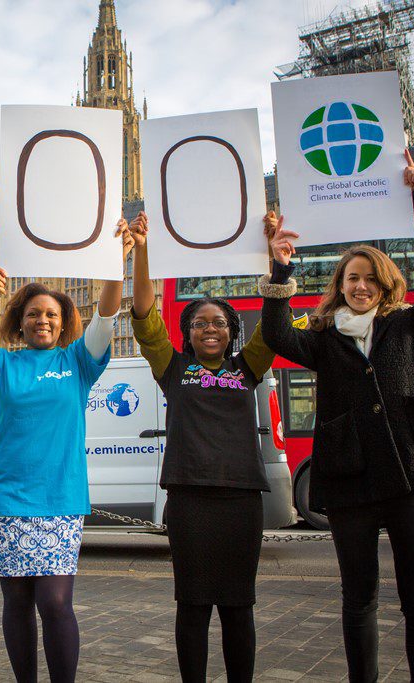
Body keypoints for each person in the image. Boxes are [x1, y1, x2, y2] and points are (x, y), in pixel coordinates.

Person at [260, 150, 414, 683]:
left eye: (369, 279)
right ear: (338, 284)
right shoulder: (322, 340)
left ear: (385, 286)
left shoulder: (410, 328)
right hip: (351, 480)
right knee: (358, 601)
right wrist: (281, 267)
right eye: (351, 278)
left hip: (412, 478)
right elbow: (274, 334)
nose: (359, 286)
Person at [0, 219, 136, 683]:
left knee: (55, 603)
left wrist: (115, 261)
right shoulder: (6, 363)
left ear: (63, 324)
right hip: (7, 498)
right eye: (35, 313)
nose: (43, 320)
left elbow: (106, 317)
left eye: (52, 315)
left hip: (59, 498)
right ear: (20, 321)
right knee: (16, 604)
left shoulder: (77, 361)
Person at [128, 209, 277, 682]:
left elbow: (275, 326)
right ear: (188, 334)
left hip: (240, 498)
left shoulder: (247, 367)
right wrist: (144, 250)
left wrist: (276, 258)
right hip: (190, 497)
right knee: (192, 604)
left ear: (232, 331)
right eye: (198, 323)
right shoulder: (172, 369)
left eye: (218, 323)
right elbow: (146, 319)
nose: (209, 328)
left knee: (238, 605)